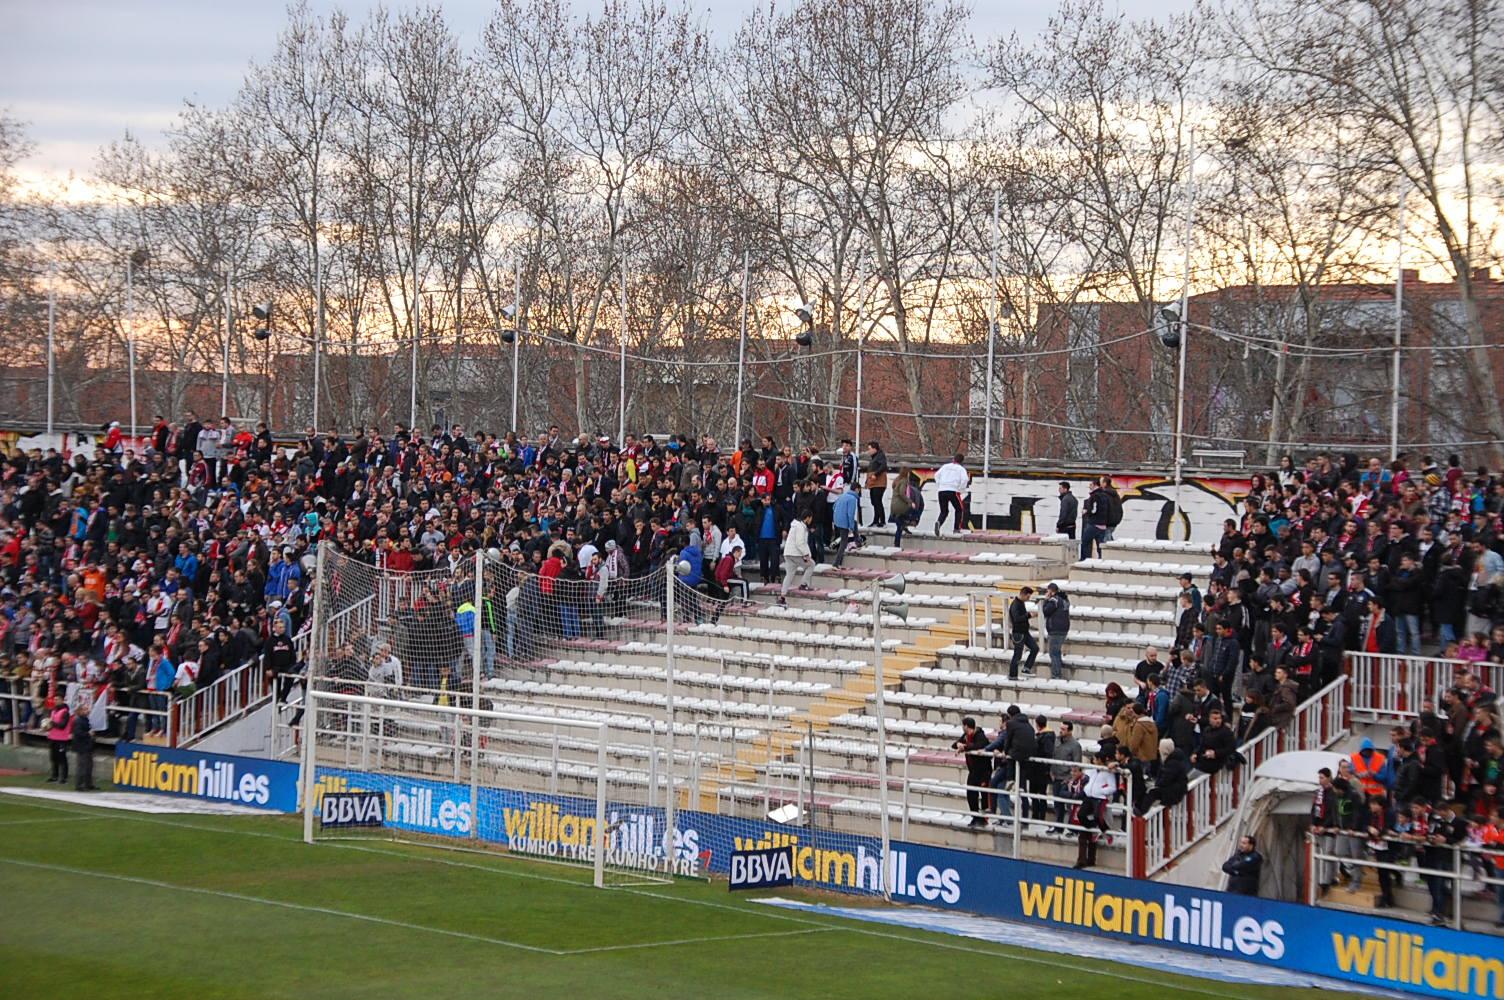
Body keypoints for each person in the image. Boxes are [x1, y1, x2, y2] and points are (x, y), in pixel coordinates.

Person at [953, 716, 992, 827]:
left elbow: (979, 745)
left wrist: (964, 746)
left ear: (966, 726)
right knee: (971, 793)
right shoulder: (965, 736)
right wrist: (958, 745)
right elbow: (954, 744)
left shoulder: (980, 735)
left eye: (963, 725)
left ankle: (984, 818)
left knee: (984, 795)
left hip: (984, 771)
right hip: (973, 771)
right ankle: (975, 817)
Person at [779, 511, 816, 605]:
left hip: (788, 553)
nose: (811, 520)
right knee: (811, 565)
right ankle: (804, 584)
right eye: (811, 518)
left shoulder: (795, 525)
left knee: (789, 574)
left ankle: (782, 596)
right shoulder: (800, 527)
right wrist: (806, 555)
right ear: (807, 518)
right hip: (795, 553)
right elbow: (800, 543)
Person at [1007, 586, 1038, 680]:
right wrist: (1028, 615)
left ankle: (1026, 668)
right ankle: (1013, 675)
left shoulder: (1021, 603)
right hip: (1018, 634)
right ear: (1023, 594)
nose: (1028, 599)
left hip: (1024, 632)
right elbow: (1017, 619)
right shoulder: (1015, 604)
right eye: (1028, 597)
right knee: (1017, 655)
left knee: (1035, 648)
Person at [933, 453, 969, 536]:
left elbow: (936, 475)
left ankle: (939, 522)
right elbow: (964, 480)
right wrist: (960, 489)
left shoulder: (945, 466)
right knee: (959, 509)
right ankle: (956, 528)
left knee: (944, 511)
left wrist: (940, 485)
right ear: (962, 461)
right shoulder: (961, 469)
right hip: (953, 490)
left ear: (953, 459)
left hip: (941, 490)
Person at [1041, 584, 1070, 678]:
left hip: (1055, 629)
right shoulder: (1065, 600)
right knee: (1057, 652)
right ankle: (1058, 672)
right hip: (1064, 629)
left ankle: (1056, 675)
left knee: (1053, 653)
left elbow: (1045, 611)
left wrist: (1046, 600)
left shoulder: (1054, 600)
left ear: (1051, 591)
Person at [71, 698, 97, 791]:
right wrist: (88, 734)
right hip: (82, 746)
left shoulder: (85, 720)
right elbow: (78, 733)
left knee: (89, 766)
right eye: (85, 709)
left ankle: (88, 783)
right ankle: (79, 785)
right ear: (80, 711)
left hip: (87, 746)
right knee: (82, 766)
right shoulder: (79, 721)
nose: (88, 711)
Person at [46, 701, 71, 784]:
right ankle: (54, 776)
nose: (56, 701)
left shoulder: (65, 712)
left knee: (62, 758)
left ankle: (64, 778)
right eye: (55, 699)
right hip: (52, 737)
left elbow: (62, 725)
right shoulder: (53, 711)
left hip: (61, 738)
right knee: (53, 757)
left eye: (58, 699)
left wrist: (52, 723)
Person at [865, 442, 888, 529]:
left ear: (875, 449)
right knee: (874, 501)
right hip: (873, 483)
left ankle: (882, 521)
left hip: (879, 483)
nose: (868, 451)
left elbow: (883, 466)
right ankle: (876, 520)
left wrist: (876, 474)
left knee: (877, 501)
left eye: (869, 449)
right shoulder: (875, 457)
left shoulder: (880, 456)